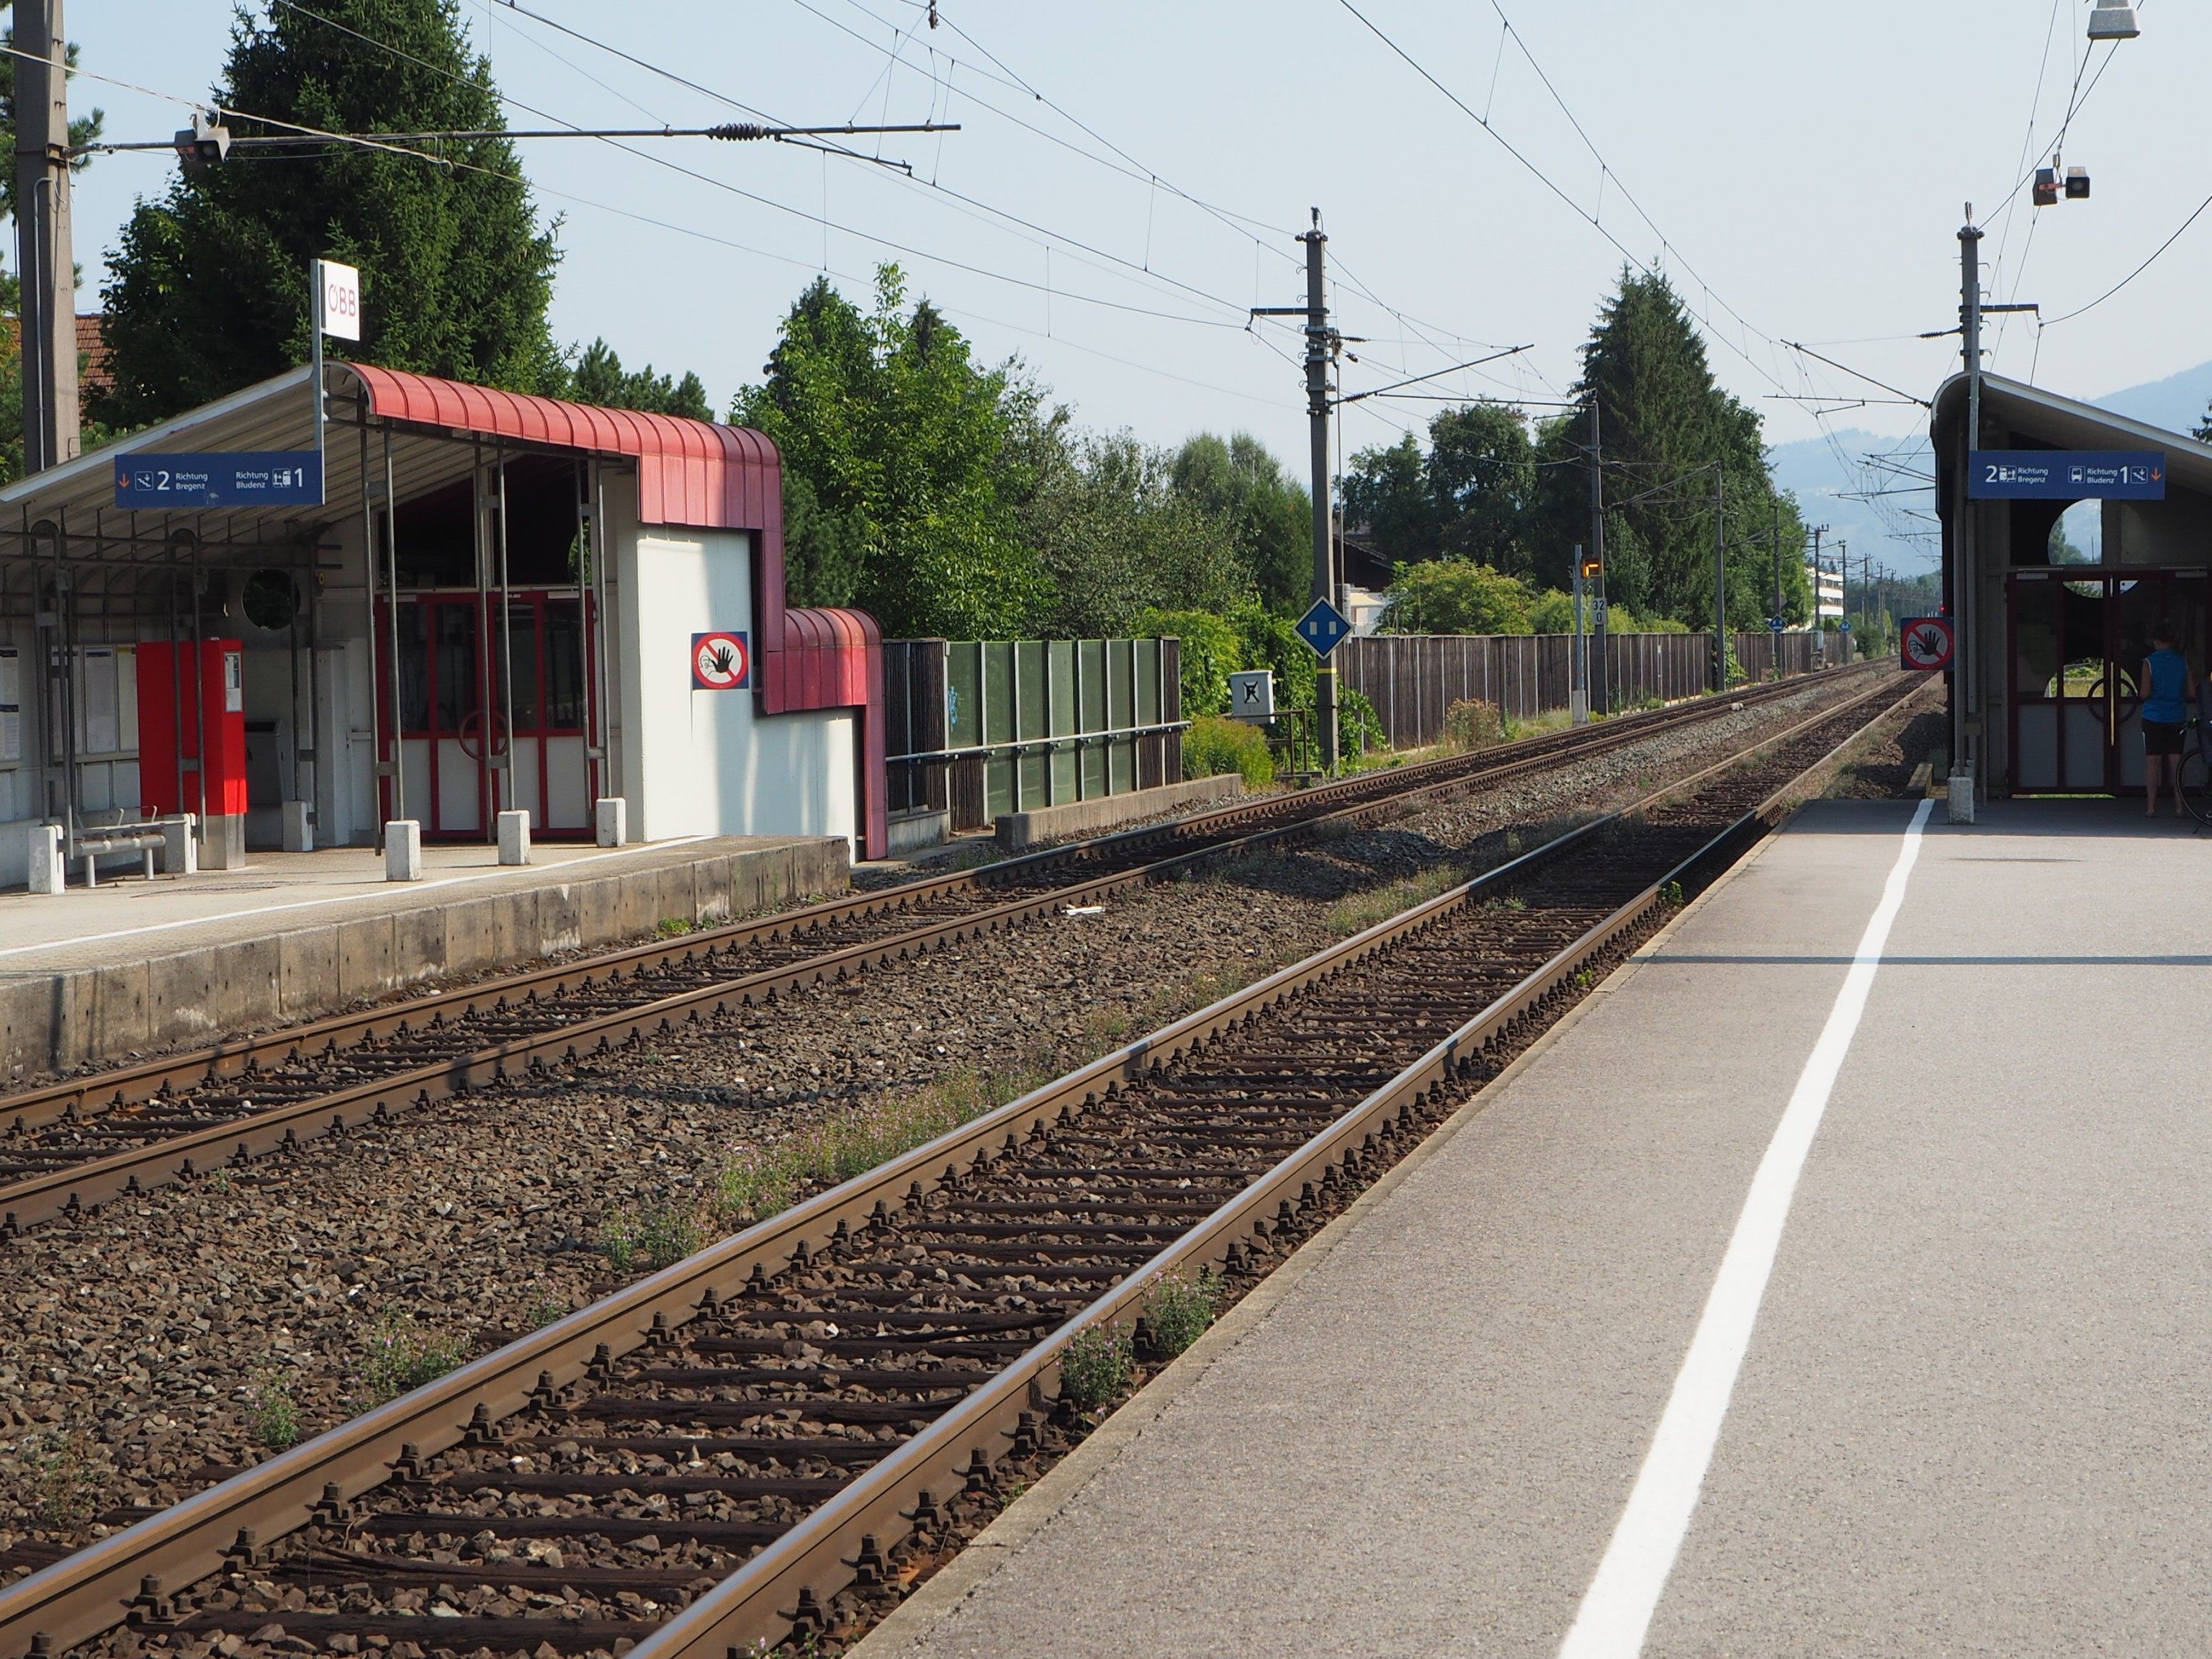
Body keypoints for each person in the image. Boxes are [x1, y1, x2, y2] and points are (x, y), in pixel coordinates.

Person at [2139, 622, 2196, 818]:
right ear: (2173, 641)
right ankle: (2180, 807)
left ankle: (2151, 807)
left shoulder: (2149, 662)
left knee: (2153, 760)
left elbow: (2145, 693)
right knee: (2176, 761)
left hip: (2153, 715)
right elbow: (2191, 692)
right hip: (2177, 715)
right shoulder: (2183, 662)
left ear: (2155, 641)